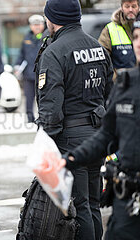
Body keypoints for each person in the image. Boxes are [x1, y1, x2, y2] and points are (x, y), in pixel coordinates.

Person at [35, 0, 113, 239]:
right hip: (96, 138)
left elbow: (51, 108)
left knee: (79, 208)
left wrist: (45, 143)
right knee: (93, 204)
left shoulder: (55, 52)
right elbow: (109, 93)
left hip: (70, 141)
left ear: (52, 18)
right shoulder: (97, 47)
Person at [63, 15, 140, 240]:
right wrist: (70, 159)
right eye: (136, 37)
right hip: (129, 200)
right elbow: (107, 136)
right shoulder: (126, 84)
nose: (138, 43)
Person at [15, 14, 45, 123]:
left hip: (42, 74)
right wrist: (17, 66)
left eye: (39, 24)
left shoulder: (46, 37)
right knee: (29, 97)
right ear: (31, 26)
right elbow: (21, 54)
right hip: (28, 74)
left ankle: (42, 118)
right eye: (34, 25)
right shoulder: (27, 37)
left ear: (43, 25)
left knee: (42, 97)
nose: (37, 27)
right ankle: (30, 118)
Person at [98, 0, 139, 71]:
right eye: (127, 6)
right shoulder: (110, 29)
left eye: (134, 6)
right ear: (121, 8)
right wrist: (116, 79)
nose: (130, 9)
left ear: (138, 7)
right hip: (121, 81)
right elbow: (101, 62)